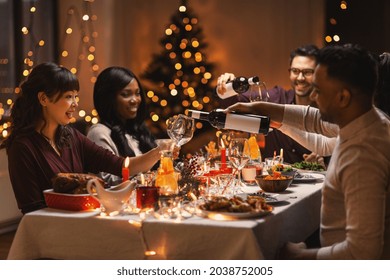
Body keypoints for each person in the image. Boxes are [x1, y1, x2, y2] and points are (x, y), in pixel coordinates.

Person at [225, 44, 390, 259]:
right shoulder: (367, 119)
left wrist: (299, 256)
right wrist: (257, 108)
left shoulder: (362, 154)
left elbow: (363, 253)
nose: (312, 97)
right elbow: (312, 120)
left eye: (319, 90)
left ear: (343, 98)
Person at [0, 62, 140, 214]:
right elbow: (32, 210)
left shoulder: (70, 136)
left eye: (75, 96)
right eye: (68, 96)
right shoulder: (22, 146)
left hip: (82, 221)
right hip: (51, 230)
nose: (75, 104)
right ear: (43, 99)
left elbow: (120, 165)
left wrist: (161, 151)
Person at [216, 44, 325, 165]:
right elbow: (234, 103)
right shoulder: (276, 97)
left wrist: (324, 161)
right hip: (273, 181)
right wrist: (228, 88)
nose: (300, 78)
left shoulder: (329, 109)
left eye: (307, 72)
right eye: (295, 71)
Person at [87, 66, 175, 185]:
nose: (135, 100)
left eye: (137, 93)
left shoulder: (136, 129)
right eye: (126, 94)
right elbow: (107, 182)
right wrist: (157, 154)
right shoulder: (98, 132)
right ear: (108, 99)